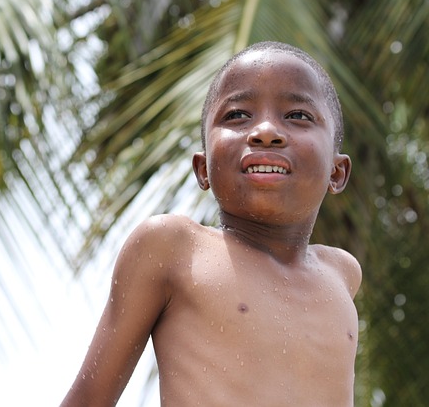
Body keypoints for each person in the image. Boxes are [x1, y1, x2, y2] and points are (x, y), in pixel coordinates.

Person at [60, 41, 362, 406]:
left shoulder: (342, 275)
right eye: (237, 115)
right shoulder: (173, 248)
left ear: (337, 170)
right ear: (203, 169)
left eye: (297, 115)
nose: (266, 131)